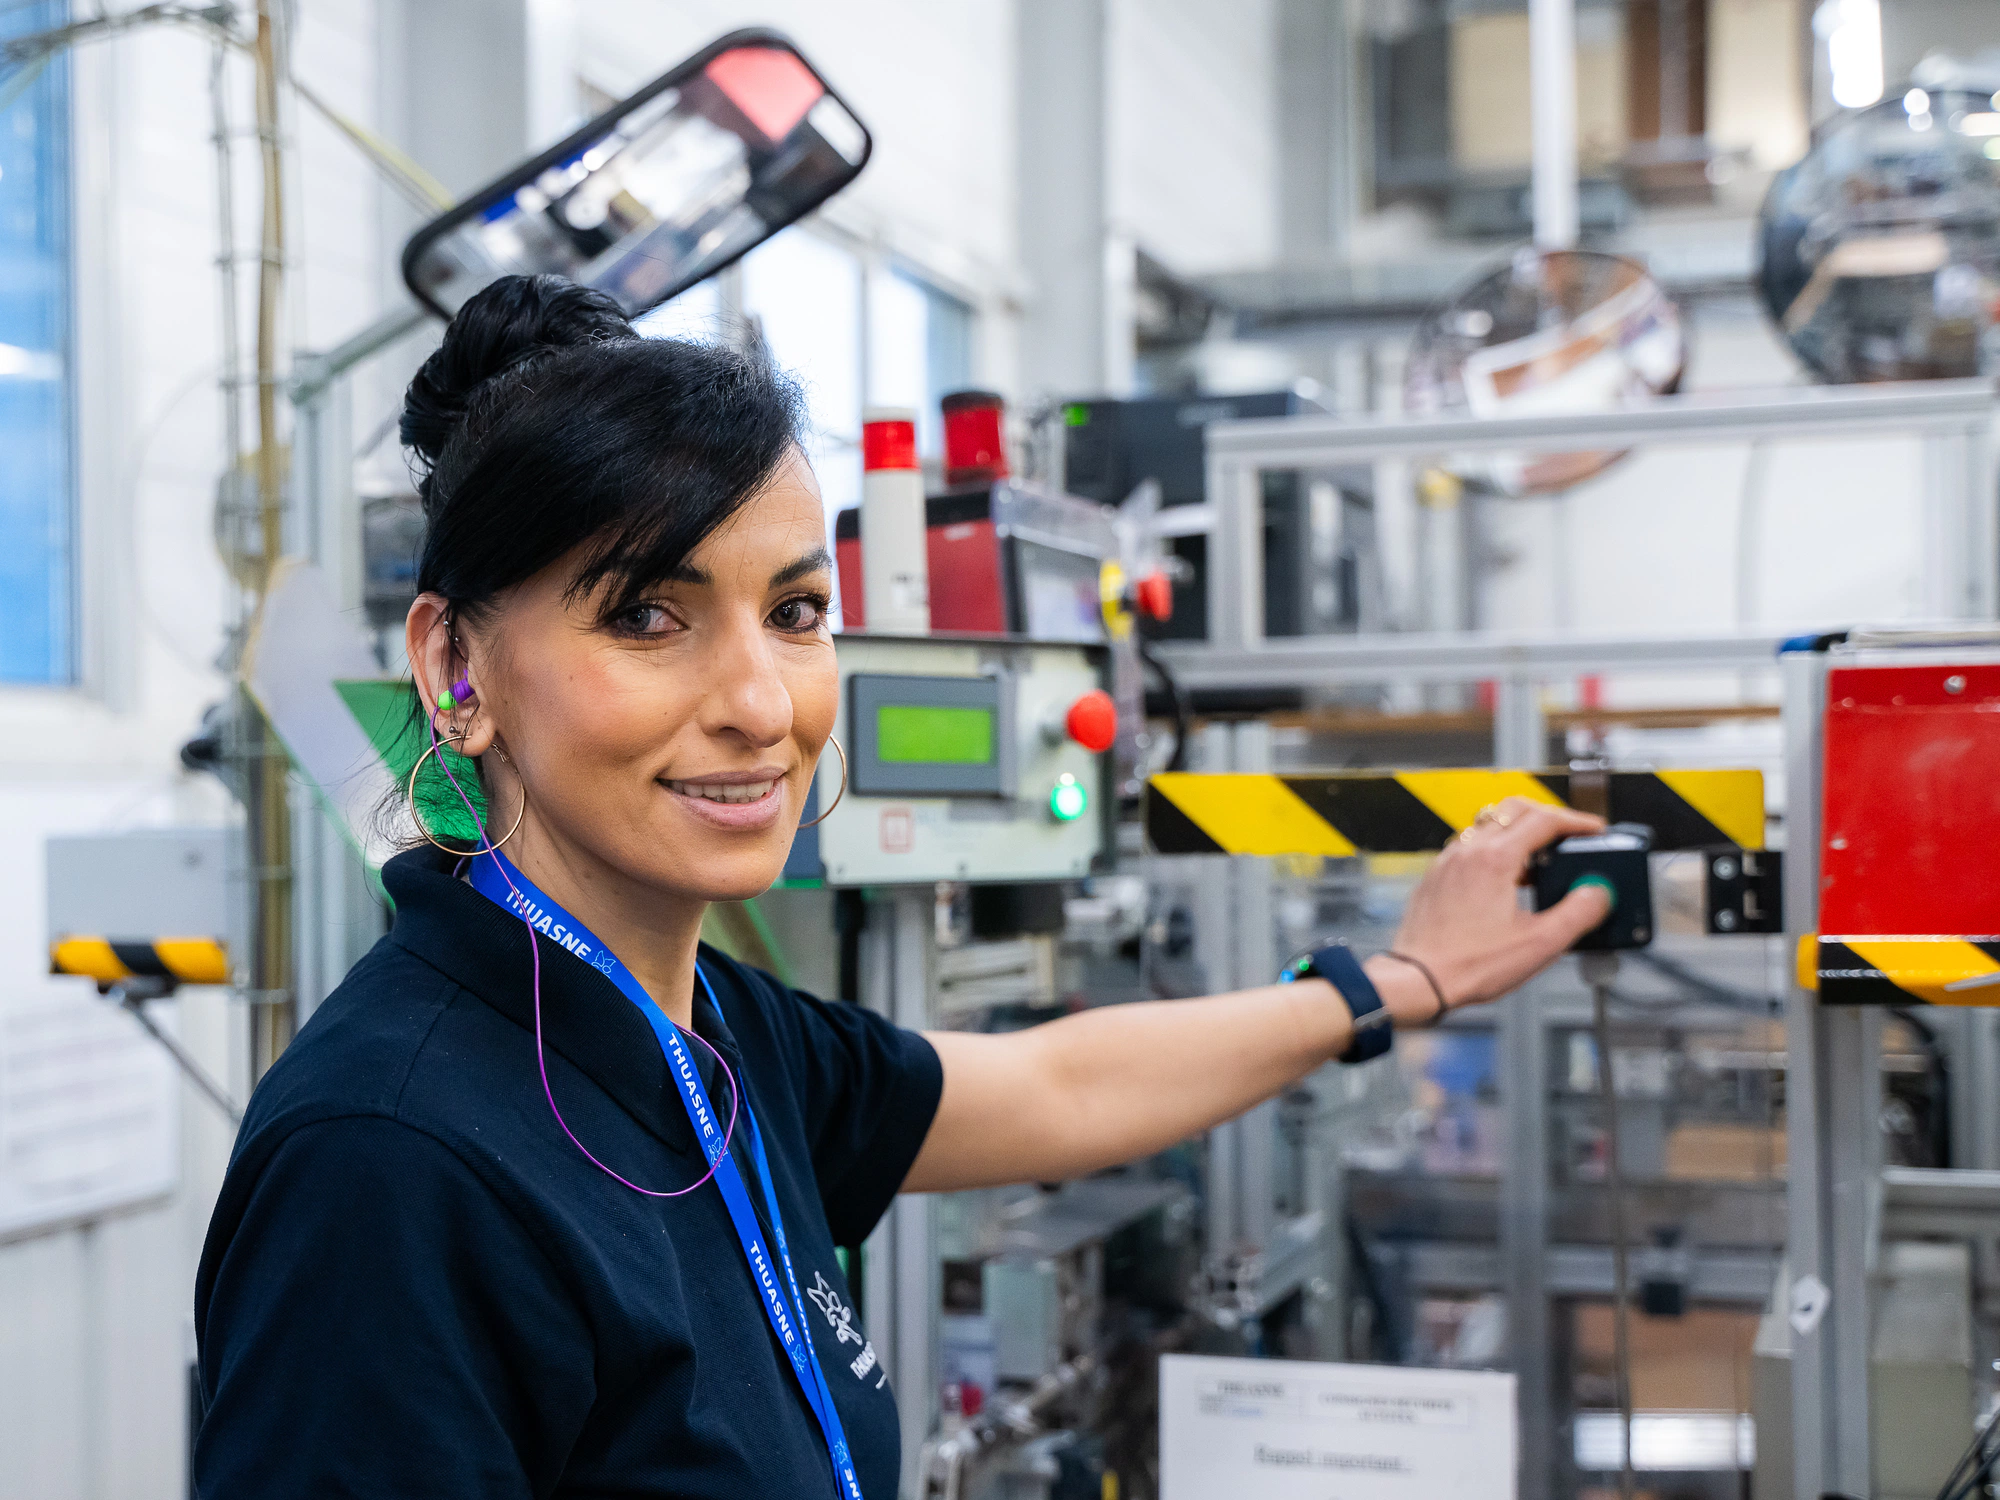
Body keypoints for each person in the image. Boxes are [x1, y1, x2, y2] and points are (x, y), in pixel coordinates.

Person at [192, 274, 1611, 1499]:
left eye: (795, 612)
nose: (764, 703)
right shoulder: (388, 1165)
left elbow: (1054, 1088)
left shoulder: (701, 1037)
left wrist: (1400, 981)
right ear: (456, 670)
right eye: (648, 615)